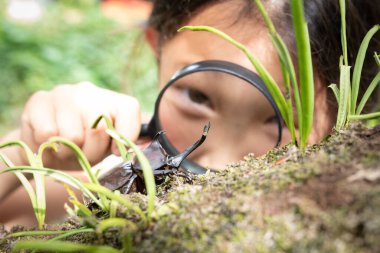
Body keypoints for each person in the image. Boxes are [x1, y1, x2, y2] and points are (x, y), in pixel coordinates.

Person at [0, 0, 379, 227]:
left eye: (279, 118)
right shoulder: (127, 160)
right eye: (197, 95)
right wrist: (24, 152)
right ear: (157, 48)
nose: (221, 157)